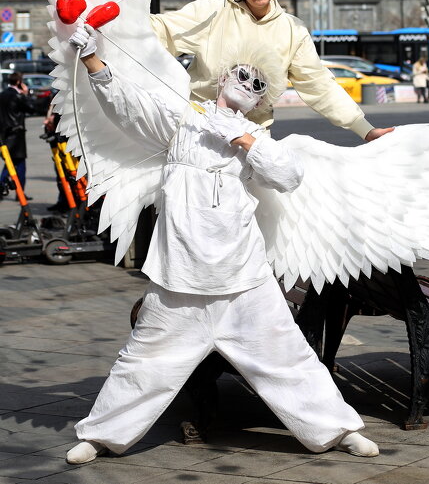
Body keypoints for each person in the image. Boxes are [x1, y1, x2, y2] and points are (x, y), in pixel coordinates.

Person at [65, 24, 379, 465]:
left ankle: (340, 431)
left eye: (257, 84)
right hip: (180, 276)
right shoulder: (182, 121)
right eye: (241, 74)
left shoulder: (258, 141)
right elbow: (127, 106)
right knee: (143, 363)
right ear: (223, 78)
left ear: (260, 101)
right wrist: (93, 59)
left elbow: (288, 175)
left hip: (243, 279)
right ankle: (99, 436)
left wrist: (242, 138)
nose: (247, 83)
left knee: (289, 359)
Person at [150, 0, 392, 144]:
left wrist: (366, 130)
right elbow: (162, 31)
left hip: (252, 141)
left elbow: (318, 84)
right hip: (198, 133)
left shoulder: (292, 30)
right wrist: (119, 23)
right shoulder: (214, 11)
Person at [0, 71, 33, 194]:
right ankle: (20, 192)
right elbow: (31, 108)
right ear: (19, 82)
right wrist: (26, 94)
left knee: (10, 163)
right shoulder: (18, 96)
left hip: (5, 135)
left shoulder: (2, 94)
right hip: (16, 136)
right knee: (19, 165)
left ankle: (5, 188)